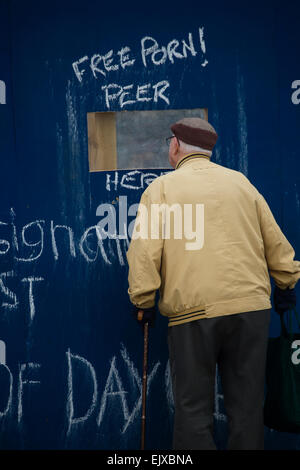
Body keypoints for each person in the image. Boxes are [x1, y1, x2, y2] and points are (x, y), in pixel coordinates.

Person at [126, 117, 300, 450]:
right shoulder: (242, 184)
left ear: (175, 146)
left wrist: (144, 301)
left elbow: (145, 253)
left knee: (193, 411)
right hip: (250, 310)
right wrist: (286, 282)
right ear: (208, 150)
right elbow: (275, 242)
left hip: (193, 313)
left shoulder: (161, 190)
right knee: (247, 410)